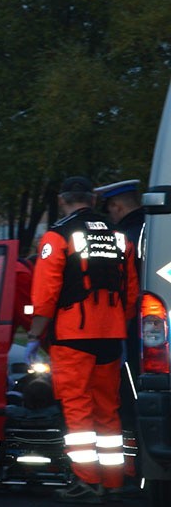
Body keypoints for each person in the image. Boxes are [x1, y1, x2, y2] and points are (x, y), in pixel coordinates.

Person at [26, 176, 139, 504]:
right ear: (91, 199)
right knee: (108, 408)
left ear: (63, 200)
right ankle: (115, 479)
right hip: (110, 334)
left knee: (78, 408)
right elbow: (131, 290)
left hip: (73, 335)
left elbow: (46, 293)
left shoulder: (58, 235)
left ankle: (88, 482)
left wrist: (35, 333)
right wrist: (119, 320)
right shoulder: (119, 236)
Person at [94, 178, 145, 482]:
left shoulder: (125, 234)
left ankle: (135, 472)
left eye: (110, 209)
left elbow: (126, 284)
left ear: (117, 206)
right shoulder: (154, 227)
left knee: (129, 399)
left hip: (133, 325)